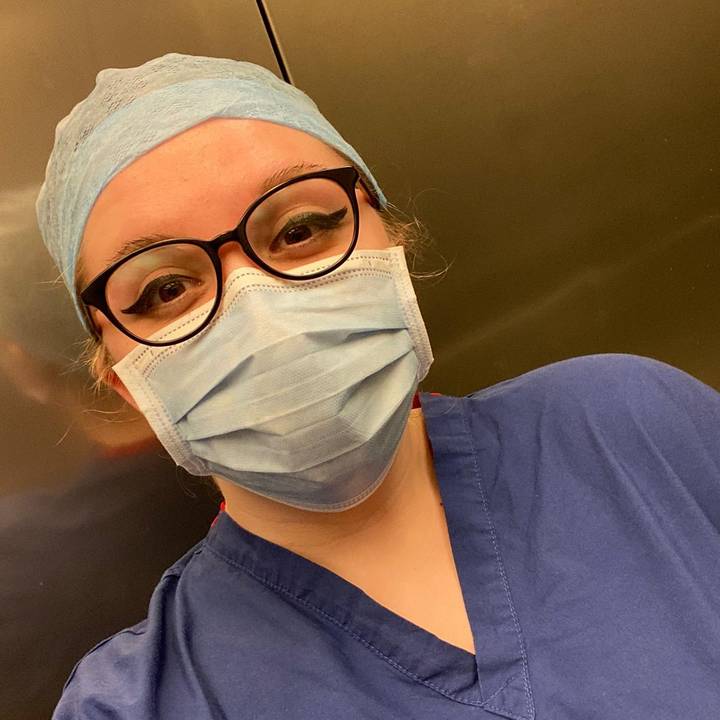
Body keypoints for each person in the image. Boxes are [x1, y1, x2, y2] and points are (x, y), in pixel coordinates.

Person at [36, 53, 720, 720]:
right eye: (165, 289)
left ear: (393, 240)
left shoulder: (630, 427)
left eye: (299, 229)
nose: (261, 312)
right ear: (126, 384)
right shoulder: (136, 703)